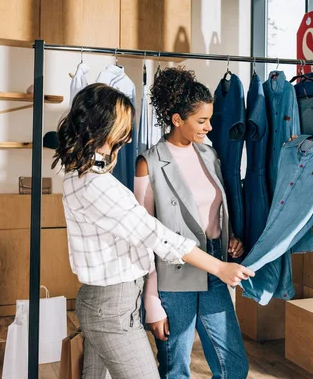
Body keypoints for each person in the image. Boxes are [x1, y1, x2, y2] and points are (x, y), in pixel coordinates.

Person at [52, 82, 254, 379]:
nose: (128, 135)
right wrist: (219, 268)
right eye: (123, 127)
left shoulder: (82, 174)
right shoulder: (99, 183)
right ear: (104, 127)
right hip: (114, 306)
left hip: (111, 301)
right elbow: (157, 236)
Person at [134, 67, 250, 379]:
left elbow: (212, 208)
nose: (210, 127)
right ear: (176, 119)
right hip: (172, 276)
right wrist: (152, 298)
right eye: (202, 121)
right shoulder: (150, 162)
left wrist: (229, 237)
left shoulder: (209, 154)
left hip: (213, 265)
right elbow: (144, 235)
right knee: (177, 371)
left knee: (234, 367)